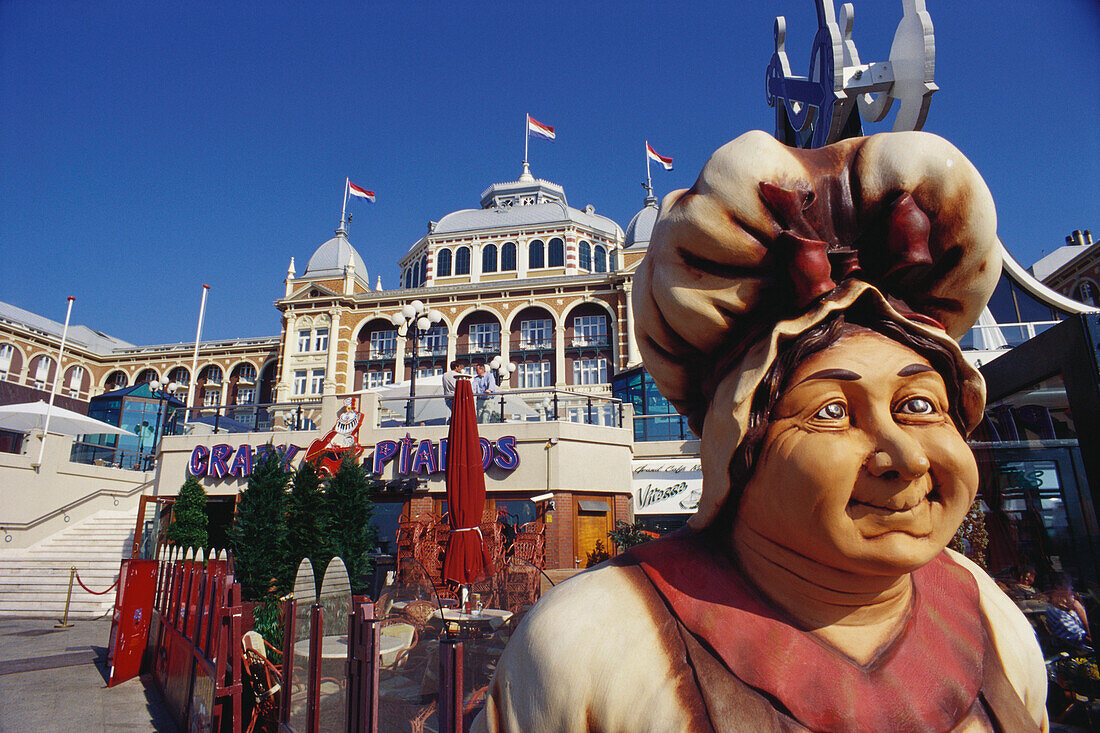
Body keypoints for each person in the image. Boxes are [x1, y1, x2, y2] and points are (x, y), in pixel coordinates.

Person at [474, 131, 1048, 732]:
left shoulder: (996, 621)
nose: (902, 455)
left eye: (920, 406)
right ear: (738, 449)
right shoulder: (585, 646)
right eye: (831, 412)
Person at [1045, 573, 1091, 645]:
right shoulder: (1055, 612)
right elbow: (1086, 639)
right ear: (1058, 587)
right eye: (1069, 585)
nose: (1072, 588)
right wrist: (1081, 611)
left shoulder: (1069, 606)